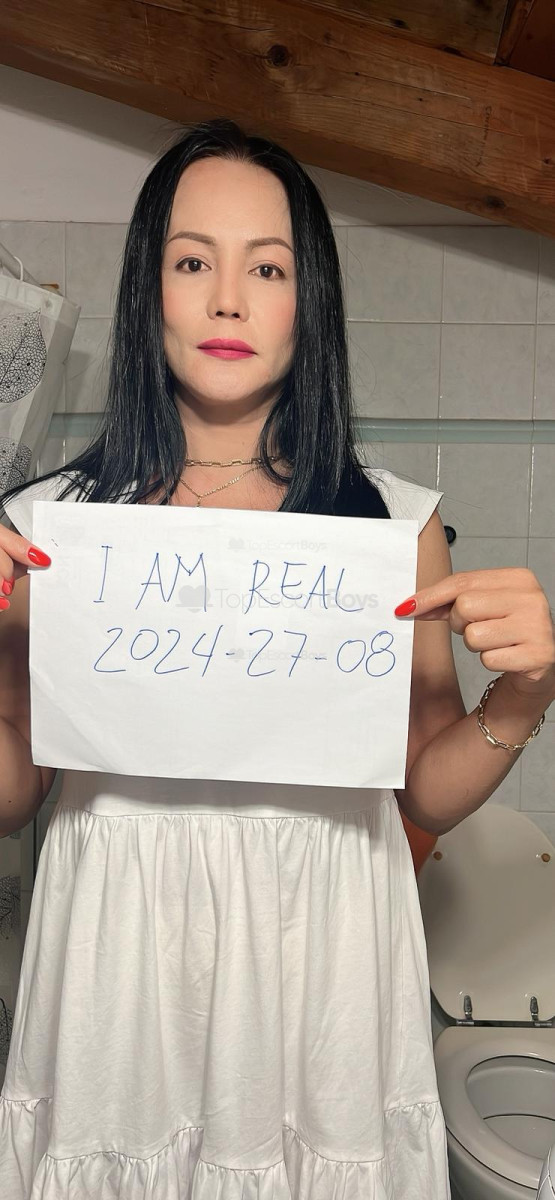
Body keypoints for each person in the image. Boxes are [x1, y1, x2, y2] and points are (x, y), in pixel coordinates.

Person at [0, 117, 553, 1200]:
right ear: (148, 290)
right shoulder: (52, 527)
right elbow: (14, 793)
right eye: (191, 262)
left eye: (267, 268)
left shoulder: (391, 523)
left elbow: (425, 788)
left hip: (324, 942)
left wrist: (524, 697)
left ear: (312, 301)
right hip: (119, 951)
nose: (227, 300)